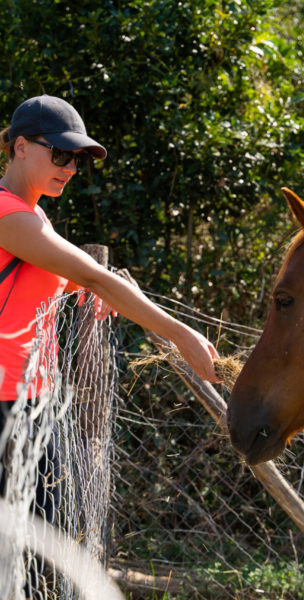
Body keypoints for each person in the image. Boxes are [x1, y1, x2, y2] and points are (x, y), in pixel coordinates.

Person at [0, 95, 219, 596]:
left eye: (77, 160)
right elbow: (89, 274)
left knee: (34, 557)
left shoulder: (34, 220)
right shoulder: (8, 214)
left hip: (31, 407)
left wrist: (102, 287)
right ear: (19, 148)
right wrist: (181, 334)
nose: (71, 168)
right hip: (5, 408)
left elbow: (82, 279)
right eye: (60, 155)